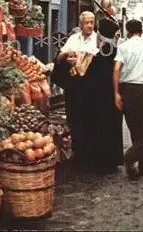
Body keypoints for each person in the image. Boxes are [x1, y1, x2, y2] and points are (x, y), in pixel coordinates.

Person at [51, 11, 124, 173]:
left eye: (92, 22)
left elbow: (101, 65)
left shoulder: (100, 41)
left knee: (93, 123)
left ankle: (92, 157)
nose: (90, 25)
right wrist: (65, 58)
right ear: (80, 24)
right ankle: (80, 154)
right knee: (76, 121)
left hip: (93, 92)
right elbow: (60, 56)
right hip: (75, 89)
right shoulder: (73, 38)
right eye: (87, 23)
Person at [114, 19, 143, 179]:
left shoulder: (123, 47)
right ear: (142, 31)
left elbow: (116, 69)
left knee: (135, 127)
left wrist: (116, 93)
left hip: (127, 89)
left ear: (127, 31)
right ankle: (131, 156)